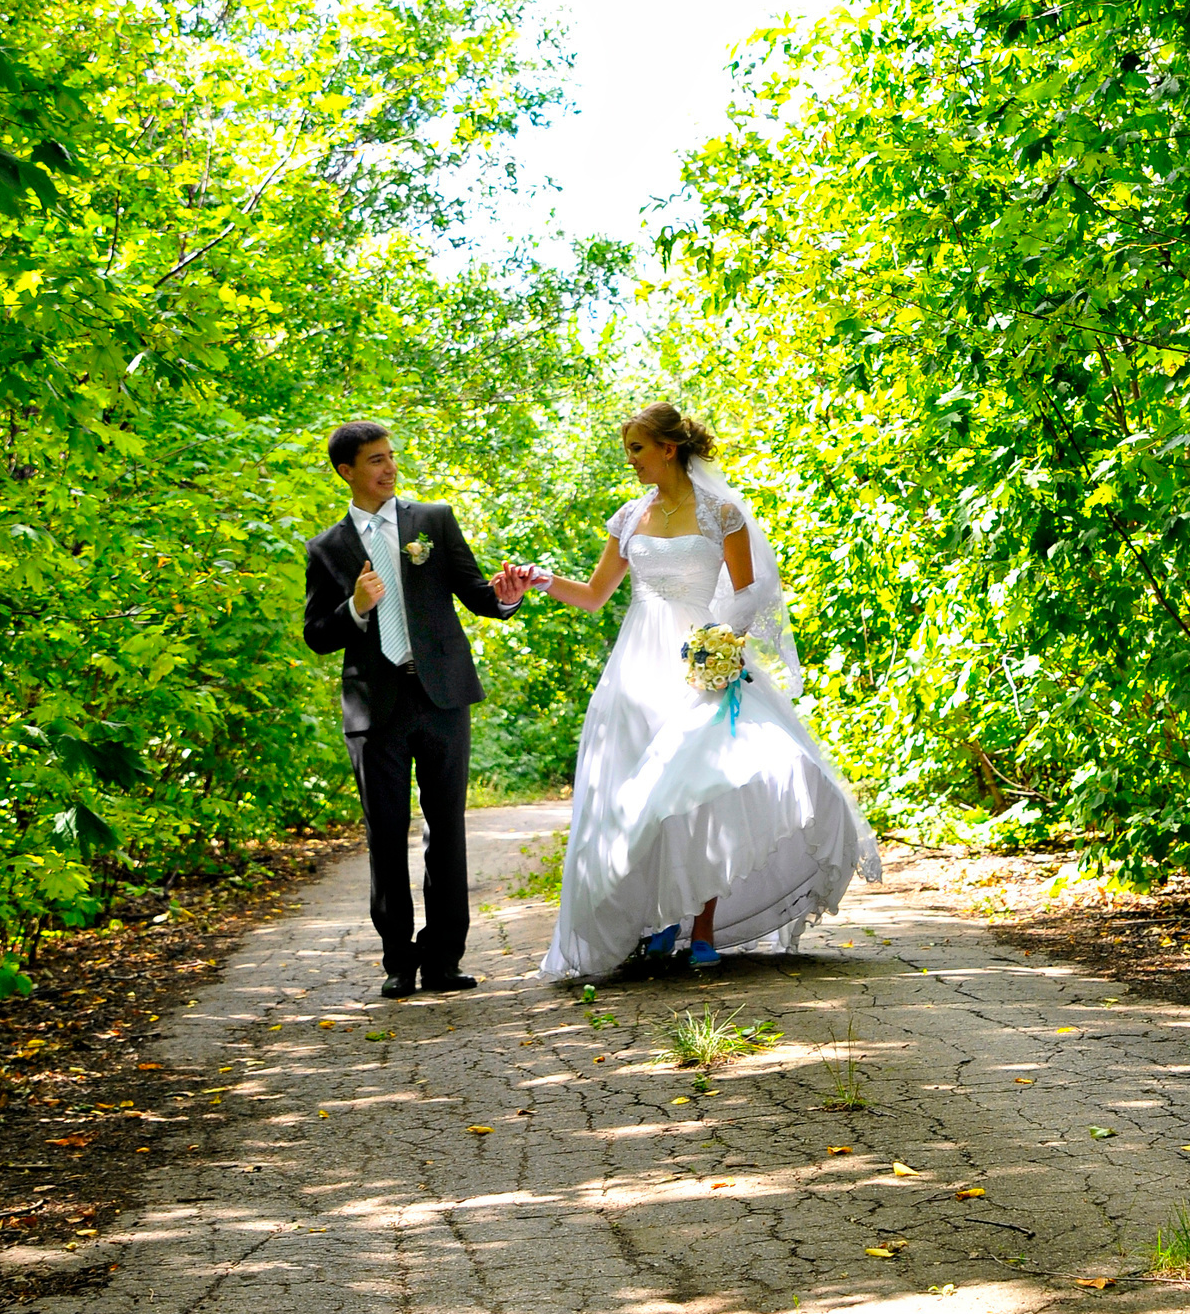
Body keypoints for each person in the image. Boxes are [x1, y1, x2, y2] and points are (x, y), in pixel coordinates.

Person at [523, 404, 880, 980]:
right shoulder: (629, 517)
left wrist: (721, 649)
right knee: (640, 791)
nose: (631, 461)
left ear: (668, 448)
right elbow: (594, 594)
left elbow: (751, 593)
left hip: (700, 660)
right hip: (636, 664)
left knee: (701, 790)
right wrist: (538, 578)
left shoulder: (722, 513)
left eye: (637, 449)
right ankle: (658, 918)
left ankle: (702, 925)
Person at [303, 421, 534, 999]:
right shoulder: (327, 548)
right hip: (374, 707)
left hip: (442, 697)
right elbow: (316, 635)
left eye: (390, 457)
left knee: (446, 831)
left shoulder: (432, 520)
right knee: (385, 835)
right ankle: (397, 963)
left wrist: (506, 597)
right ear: (346, 471)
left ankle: (444, 959)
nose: (388, 468)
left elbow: (478, 594)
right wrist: (354, 608)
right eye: (374, 461)